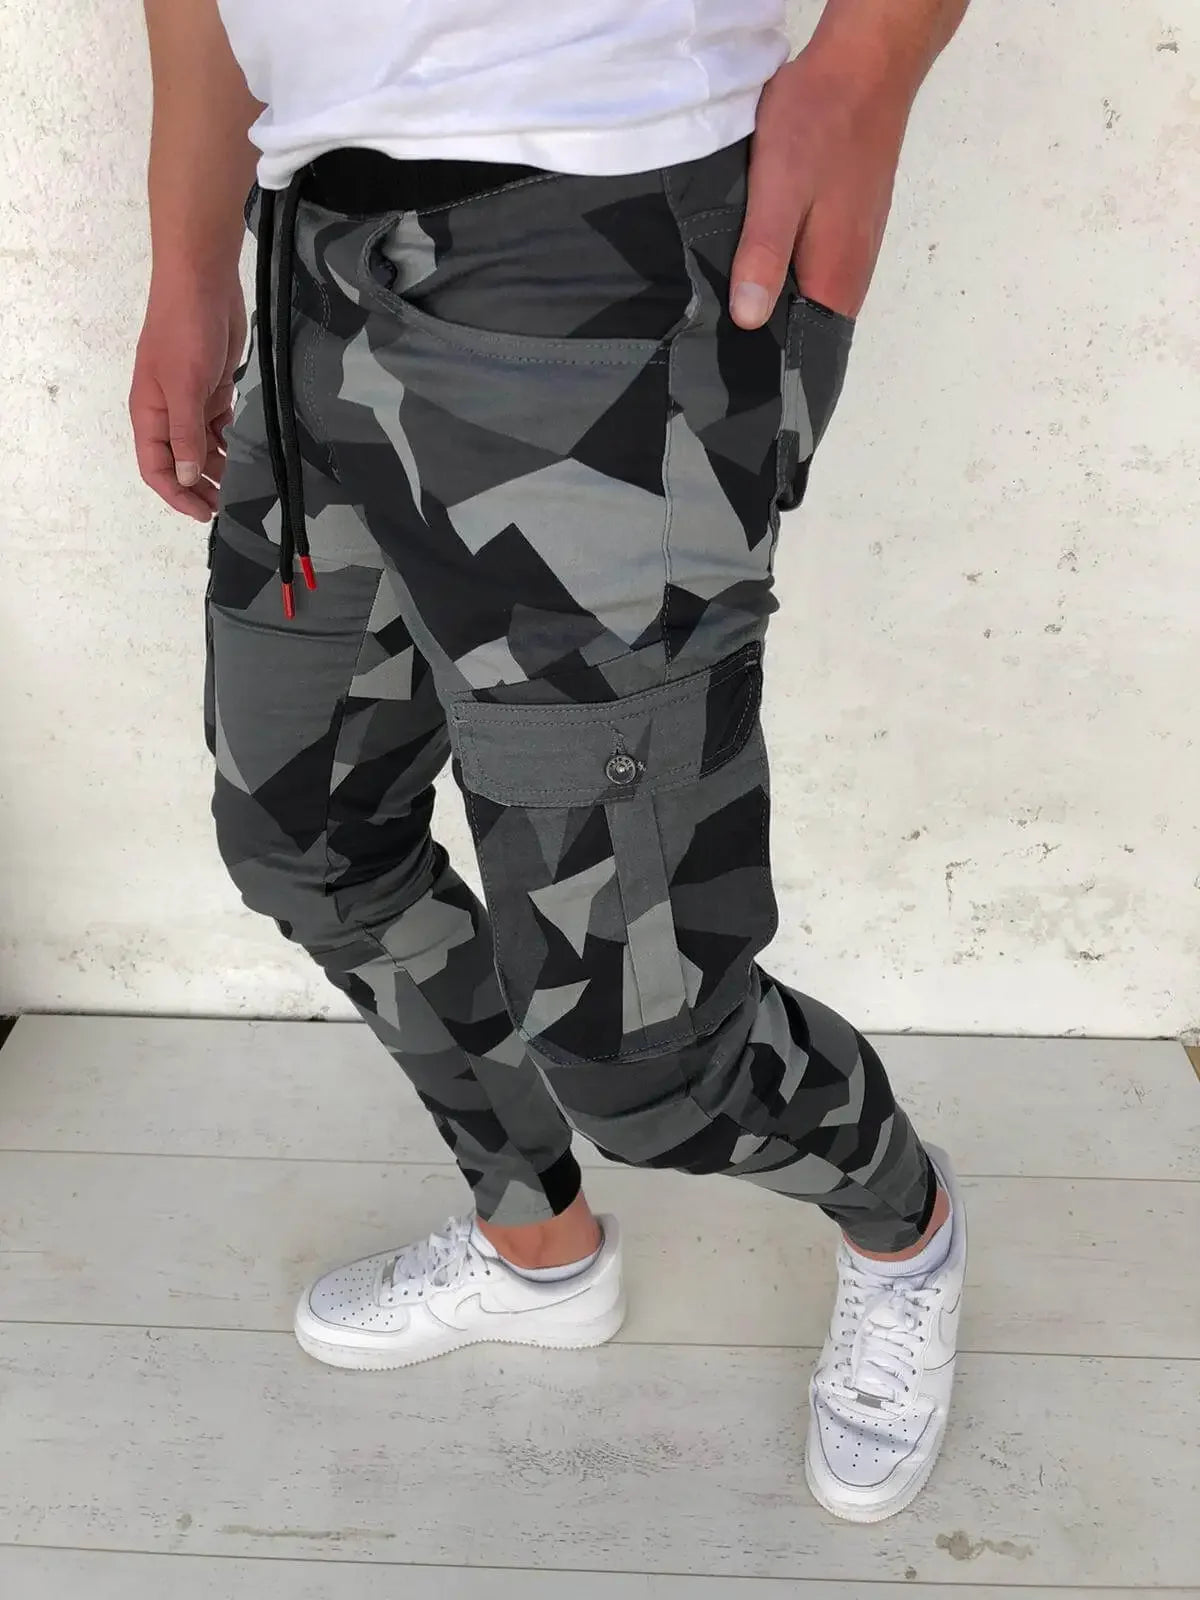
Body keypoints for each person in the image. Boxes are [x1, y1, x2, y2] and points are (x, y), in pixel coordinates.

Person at [131, 0, 971, 1524]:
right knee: (305, 838)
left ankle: (901, 1220)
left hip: (601, 269)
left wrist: (868, 67)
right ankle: (536, 1242)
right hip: (309, 262)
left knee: (648, 1059)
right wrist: (188, 262)